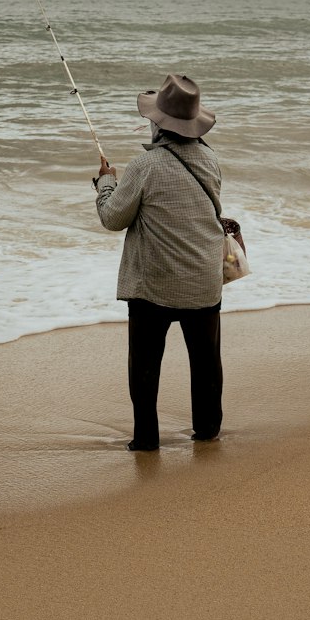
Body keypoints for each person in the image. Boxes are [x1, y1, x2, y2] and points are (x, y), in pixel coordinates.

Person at [94, 72, 225, 452]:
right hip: (204, 278)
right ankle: (208, 429)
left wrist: (105, 184)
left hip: (155, 286)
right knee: (206, 364)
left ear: (159, 124)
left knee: (145, 367)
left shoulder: (143, 167)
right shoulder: (210, 159)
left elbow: (113, 219)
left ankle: (146, 439)